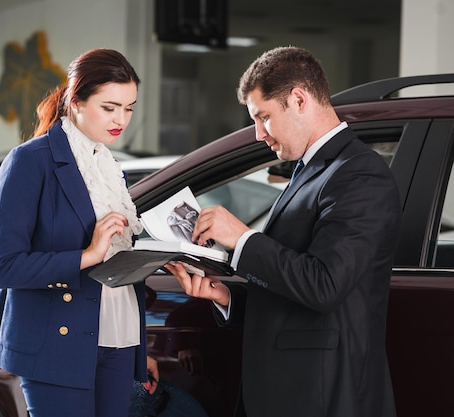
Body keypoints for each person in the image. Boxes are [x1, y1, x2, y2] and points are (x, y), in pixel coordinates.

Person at [164, 46, 402, 417]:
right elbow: (293, 289)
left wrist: (241, 238)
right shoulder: (312, 170)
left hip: (323, 398)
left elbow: (323, 286)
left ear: (299, 99)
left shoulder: (358, 175)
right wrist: (226, 295)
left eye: (264, 117)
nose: (258, 134)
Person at [0, 48, 159, 417]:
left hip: (119, 332)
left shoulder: (110, 167)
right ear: (76, 100)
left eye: (129, 108)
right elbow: (4, 268)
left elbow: (119, 260)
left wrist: (166, 256)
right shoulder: (30, 161)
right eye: (109, 107)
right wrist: (88, 255)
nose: (121, 119)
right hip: (57, 341)